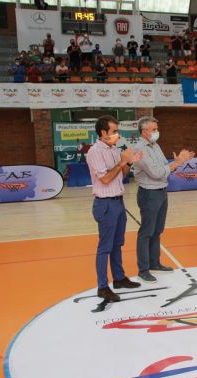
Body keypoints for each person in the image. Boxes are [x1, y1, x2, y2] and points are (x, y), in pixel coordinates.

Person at [85, 115, 143, 301]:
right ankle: (102, 286)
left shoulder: (114, 149)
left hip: (119, 201)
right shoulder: (95, 152)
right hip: (105, 203)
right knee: (105, 247)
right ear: (103, 132)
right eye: (114, 131)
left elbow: (123, 174)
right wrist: (121, 162)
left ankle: (118, 278)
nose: (117, 135)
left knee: (117, 243)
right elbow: (105, 178)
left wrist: (128, 161)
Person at [132, 116, 195, 282]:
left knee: (157, 230)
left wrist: (177, 162)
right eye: (153, 130)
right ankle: (143, 269)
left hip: (161, 191)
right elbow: (157, 173)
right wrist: (178, 162)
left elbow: (164, 168)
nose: (156, 132)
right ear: (144, 131)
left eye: (156, 129)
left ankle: (155, 263)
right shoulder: (140, 149)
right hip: (149, 193)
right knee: (146, 232)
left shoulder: (155, 145)